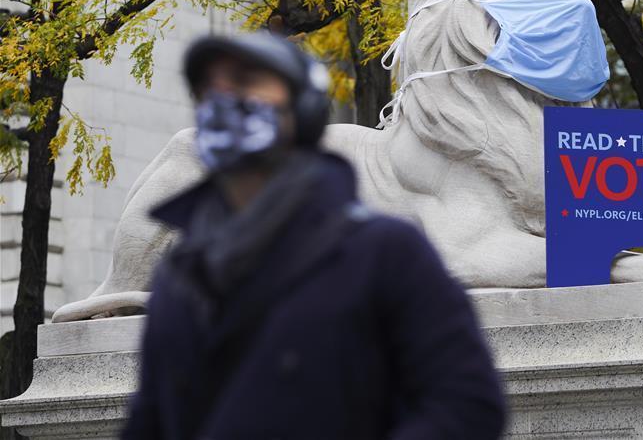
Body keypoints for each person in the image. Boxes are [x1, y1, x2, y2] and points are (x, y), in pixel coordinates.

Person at [122, 31, 506, 440]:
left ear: (301, 110)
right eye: (209, 90)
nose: (224, 100)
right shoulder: (181, 276)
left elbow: (467, 406)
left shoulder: (385, 252)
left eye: (246, 82)